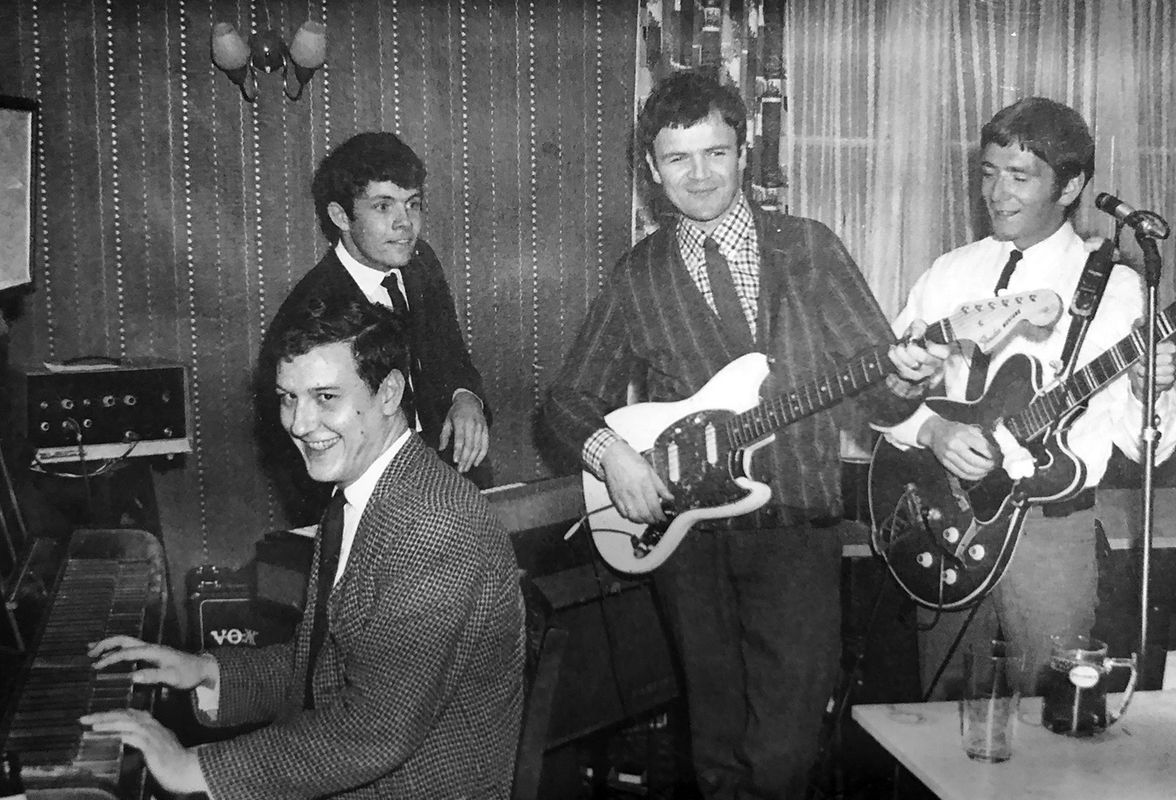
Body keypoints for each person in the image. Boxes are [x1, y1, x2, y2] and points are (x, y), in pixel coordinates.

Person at [543, 69, 944, 800]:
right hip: (687, 543)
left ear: (744, 152)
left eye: (715, 153)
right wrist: (615, 456)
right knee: (716, 749)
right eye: (677, 159)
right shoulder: (639, 275)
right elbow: (565, 403)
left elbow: (879, 398)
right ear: (653, 171)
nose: (699, 174)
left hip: (794, 529)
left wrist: (911, 377)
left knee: (785, 751)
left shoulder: (809, 249)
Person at [83, 297, 525, 799]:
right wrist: (206, 671)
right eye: (288, 397)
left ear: (389, 392)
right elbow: (328, 664)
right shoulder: (358, 493)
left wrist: (195, 768)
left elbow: (373, 731)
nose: (297, 422)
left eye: (325, 397)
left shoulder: (430, 526)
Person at [881, 96, 1176, 697]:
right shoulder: (949, 272)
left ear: (1069, 187)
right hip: (945, 515)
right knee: (940, 720)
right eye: (989, 172)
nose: (997, 192)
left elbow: (1148, 449)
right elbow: (884, 396)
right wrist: (930, 430)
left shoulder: (1119, 291)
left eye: (1020, 176)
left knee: (1052, 717)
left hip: (1051, 535)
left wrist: (1151, 390)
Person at [263, 131, 492, 525]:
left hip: (441, 473)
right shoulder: (315, 306)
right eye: (383, 206)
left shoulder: (420, 263)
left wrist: (465, 396)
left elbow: (449, 352)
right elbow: (308, 444)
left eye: (413, 204)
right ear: (340, 217)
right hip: (364, 501)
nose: (405, 224)